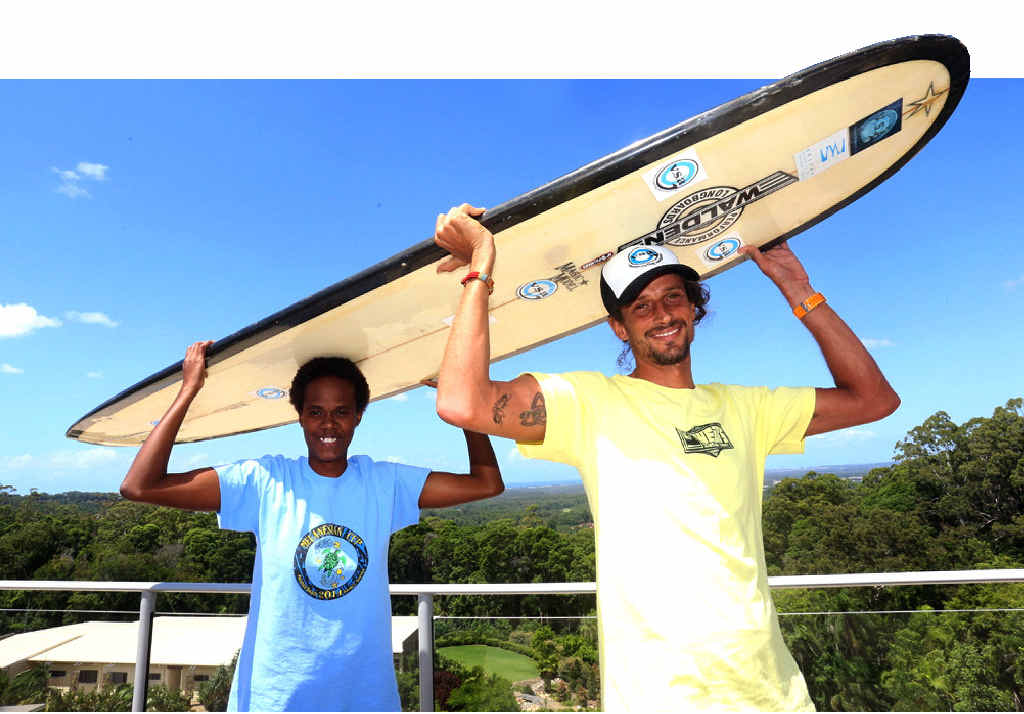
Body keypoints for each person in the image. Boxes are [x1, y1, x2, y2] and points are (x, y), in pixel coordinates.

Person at [431, 203, 900, 711]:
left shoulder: (748, 408)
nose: (661, 314)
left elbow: (874, 399)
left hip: (771, 693)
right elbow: (462, 403)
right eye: (641, 306)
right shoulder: (589, 403)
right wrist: (481, 263)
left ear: (693, 307)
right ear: (619, 327)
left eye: (673, 296)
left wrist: (797, 288)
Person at [119, 342, 503, 712]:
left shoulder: (384, 483)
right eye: (315, 411)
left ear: (359, 415)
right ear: (299, 415)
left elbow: (486, 484)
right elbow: (139, 486)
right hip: (276, 695)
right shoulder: (265, 481)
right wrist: (188, 390)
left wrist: (463, 407)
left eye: (341, 411)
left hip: (363, 695)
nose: (328, 424)